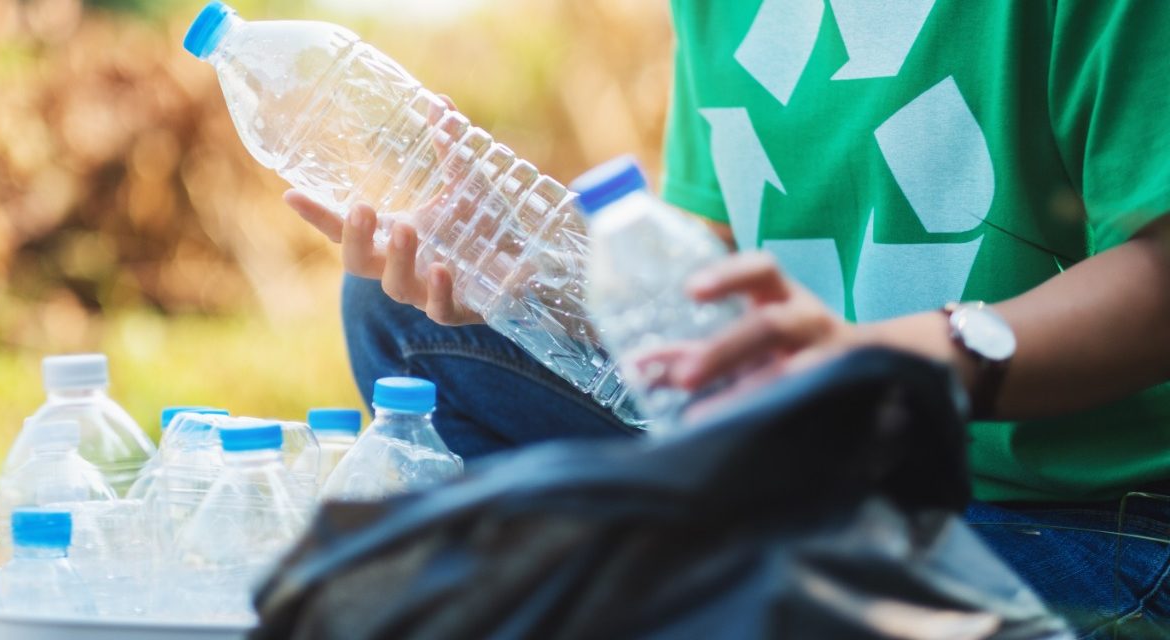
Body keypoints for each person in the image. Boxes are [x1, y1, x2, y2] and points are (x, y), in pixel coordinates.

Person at [284, 2, 1170, 636]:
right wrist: (540, 279)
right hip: (817, 469)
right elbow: (712, 266)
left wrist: (886, 359)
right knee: (411, 321)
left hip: (1079, 516)